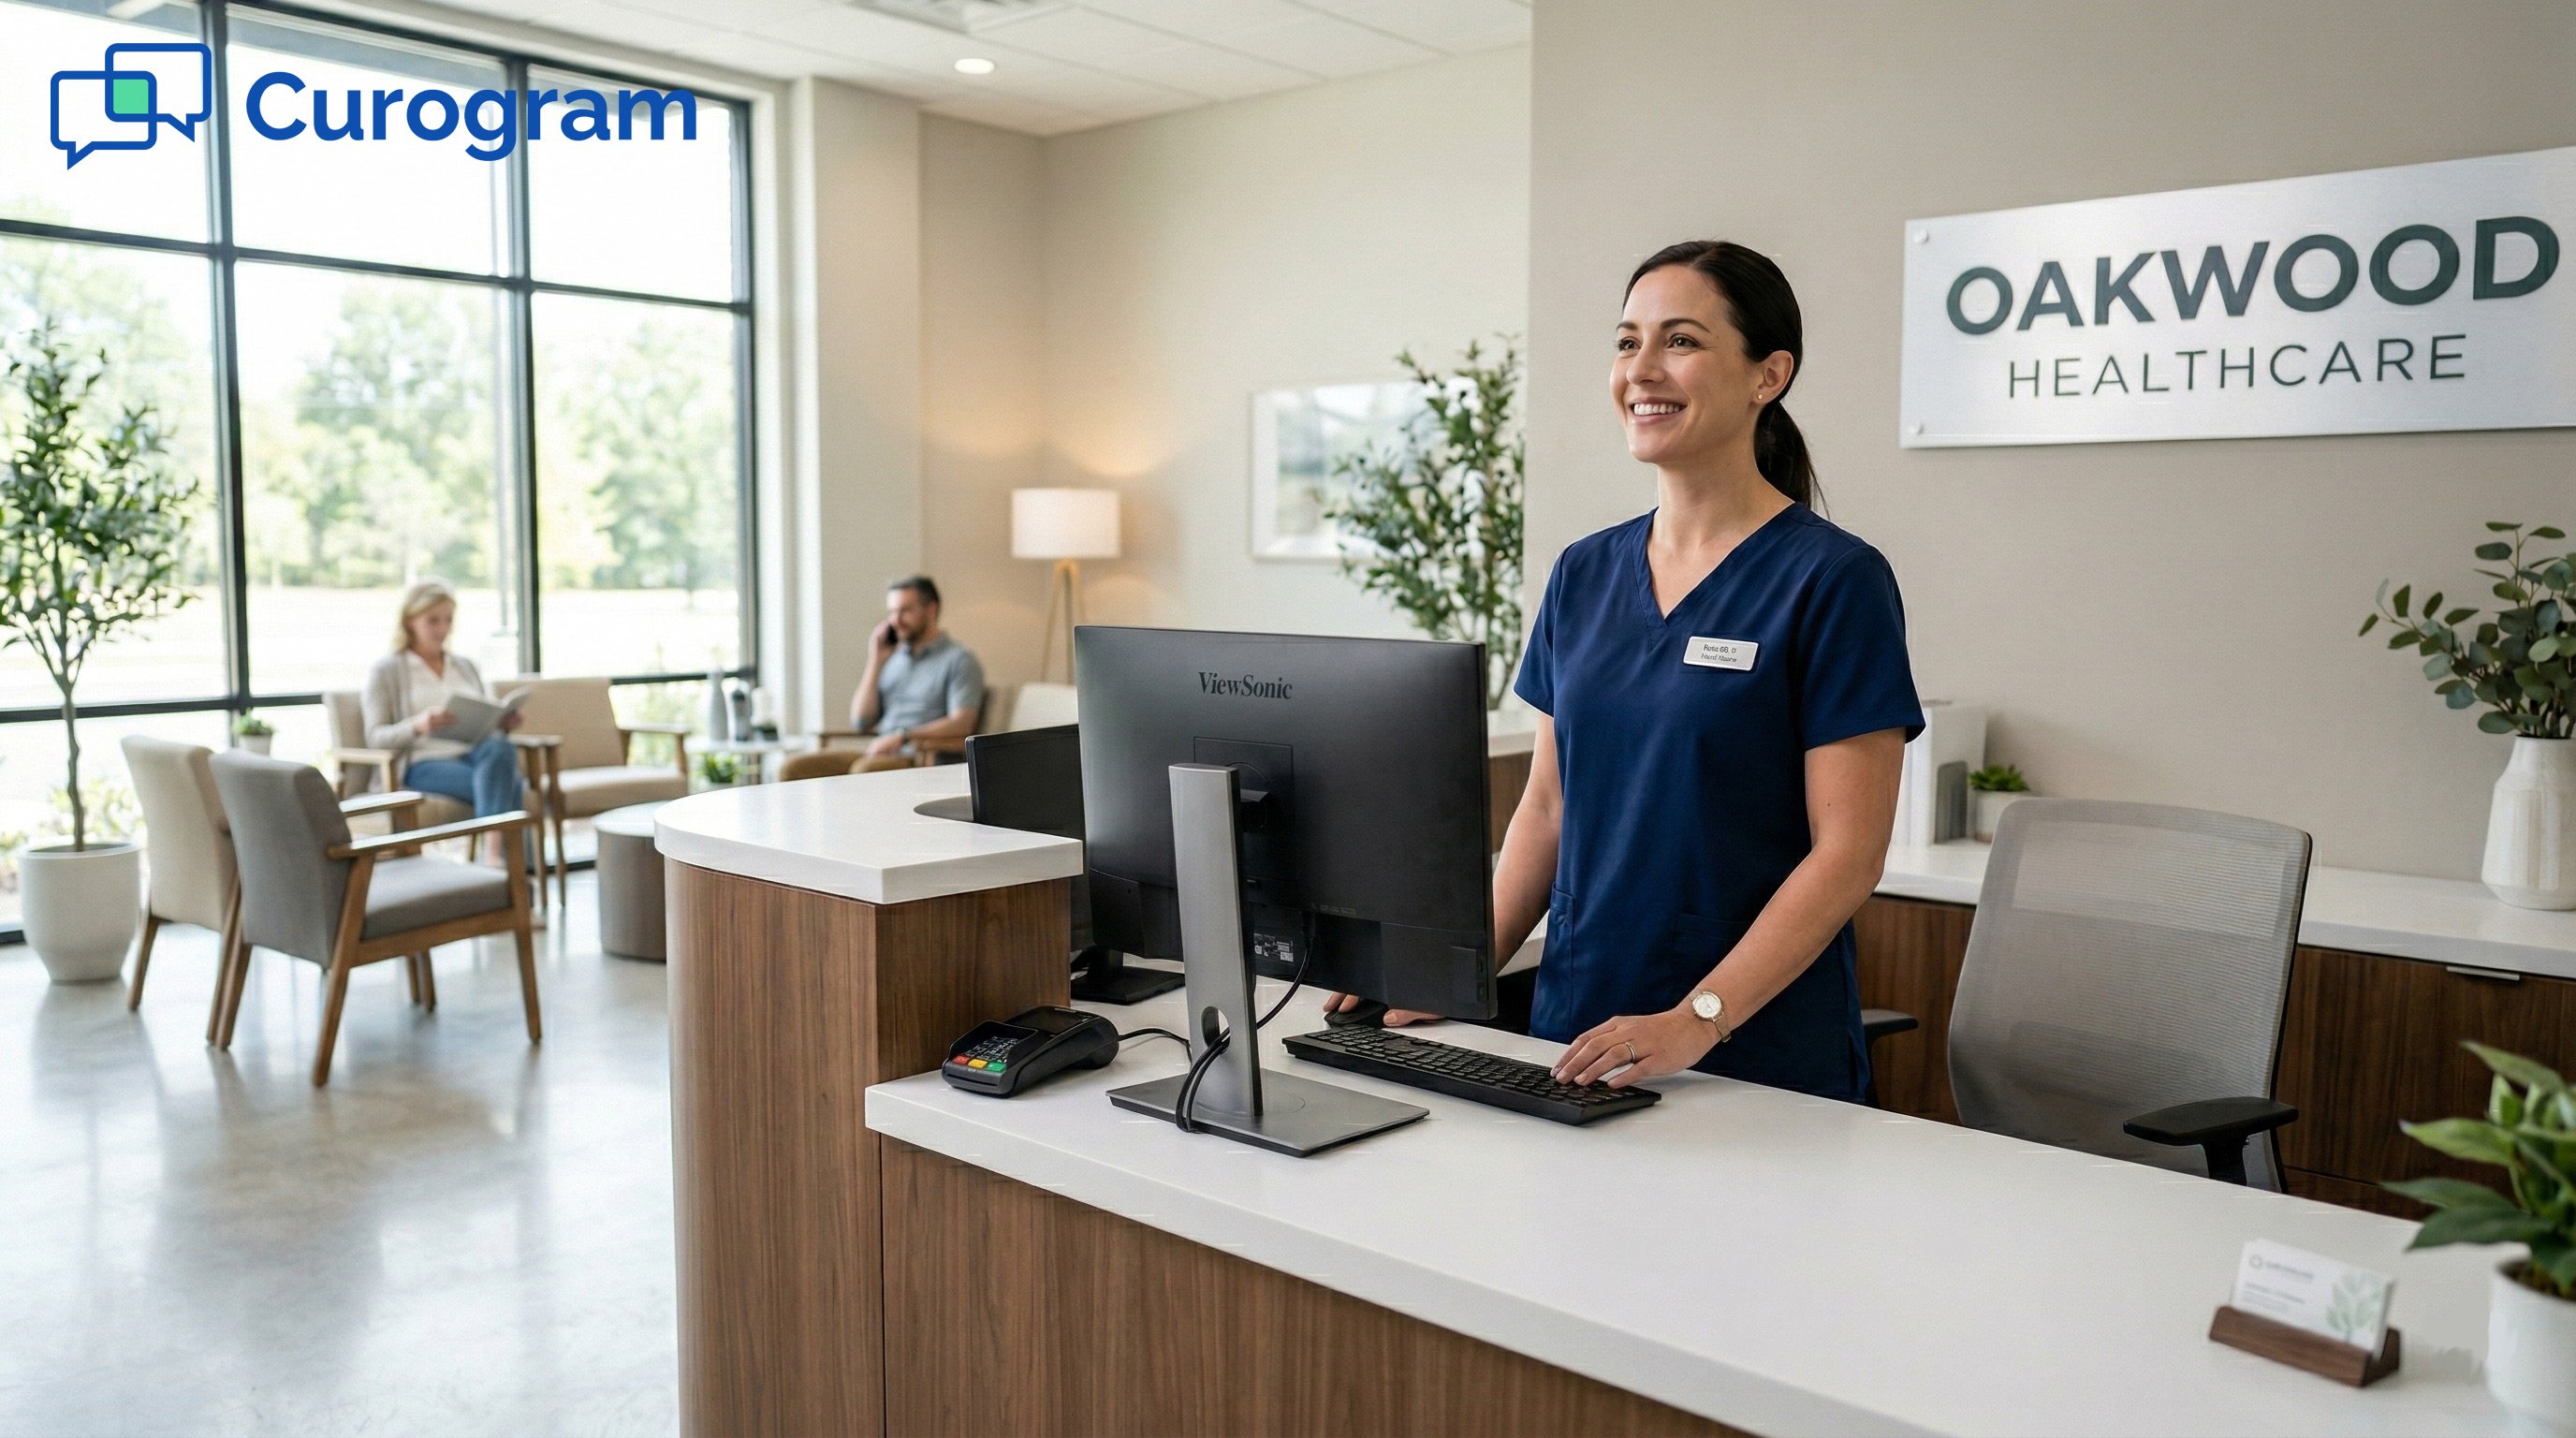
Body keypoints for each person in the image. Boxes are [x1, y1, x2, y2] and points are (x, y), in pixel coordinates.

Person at [1329, 240, 1923, 1103]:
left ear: (1769, 375)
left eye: (1680, 341)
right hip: (1578, 1028)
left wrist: (1698, 1016)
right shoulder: (1583, 572)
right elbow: (1548, 805)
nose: (1642, 369)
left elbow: (1847, 854)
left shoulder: (1835, 581)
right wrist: (1453, 969)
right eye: (1626, 342)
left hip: (1753, 1052)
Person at [362, 580, 525, 821]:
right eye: (433, 620)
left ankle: (494, 853)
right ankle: (504, 855)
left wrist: (500, 722)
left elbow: (484, 720)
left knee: (500, 749)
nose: (443, 629)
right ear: (409, 621)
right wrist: (417, 725)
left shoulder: (464, 666)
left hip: (473, 756)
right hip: (422, 764)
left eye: (448, 620)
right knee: (507, 782)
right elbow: (376, 737)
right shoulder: (387, 671)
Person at [848, 575, 986, 764]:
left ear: (931, 610)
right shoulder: (892, 659)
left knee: (862, 771)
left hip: (919, 757)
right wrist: (876, 661)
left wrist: (902, 736)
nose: (895, 621)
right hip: (878, 752)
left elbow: (962, 723)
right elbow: (861, 722)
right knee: (798, 767)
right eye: (892, 612)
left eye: (905, 611)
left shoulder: (959, 660)